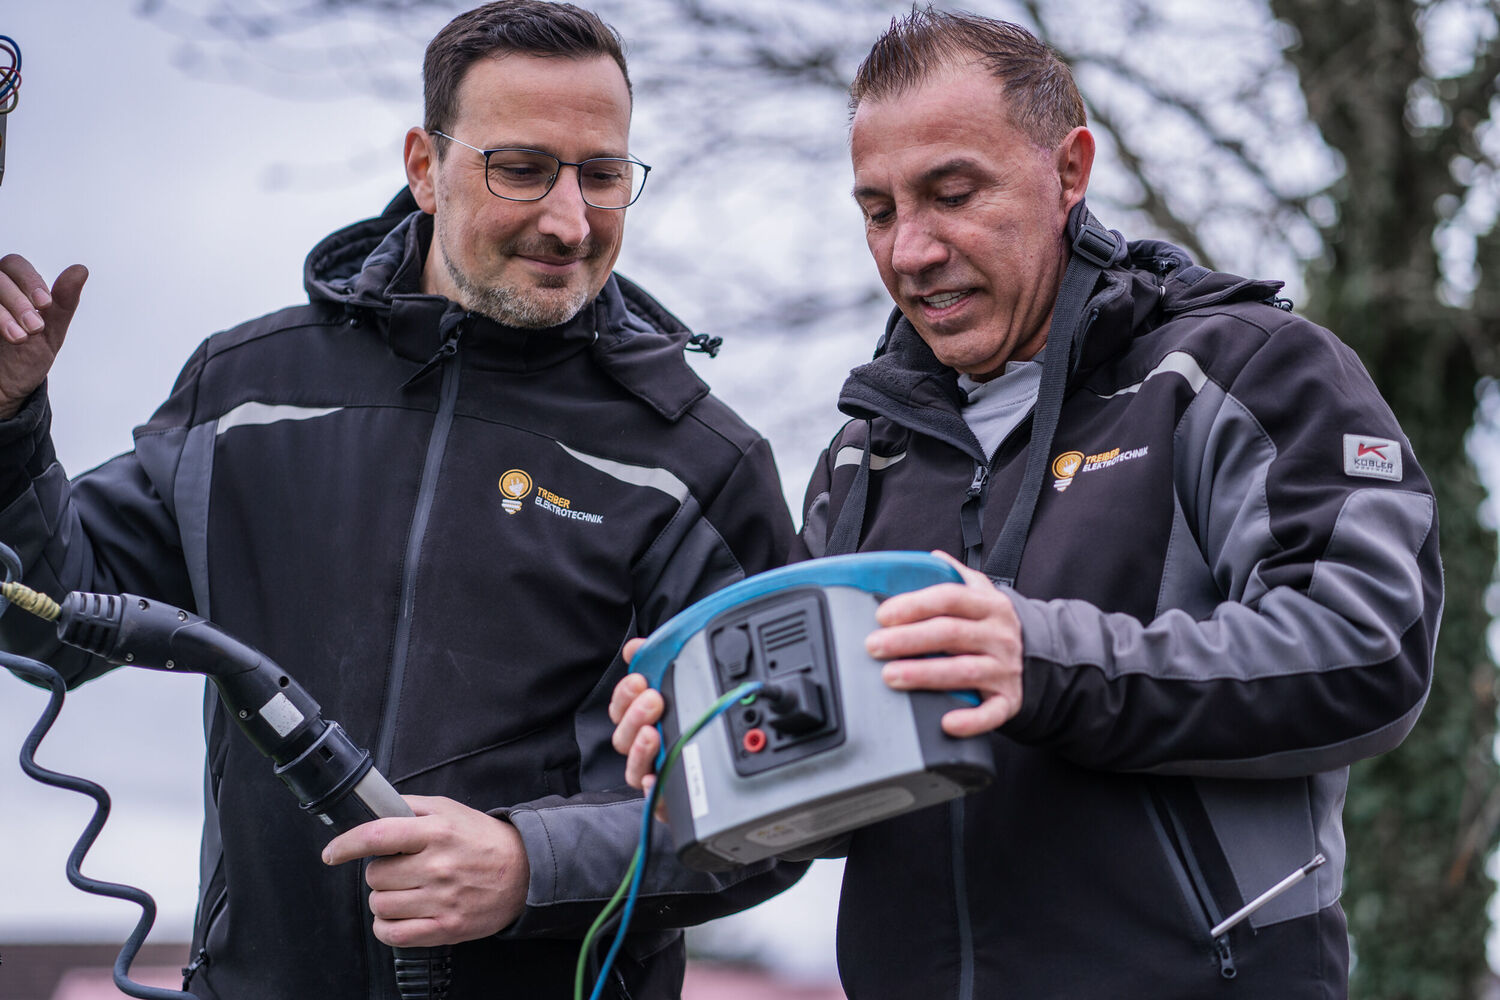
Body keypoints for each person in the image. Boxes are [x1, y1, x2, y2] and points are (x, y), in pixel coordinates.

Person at [609, 9, 1441, 999]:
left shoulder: (1244, 369)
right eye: (878, 211)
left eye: (952, 194)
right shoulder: (862, 457)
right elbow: (830, 793)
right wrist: (707, 751)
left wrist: (1042, 659)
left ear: (1069, 170)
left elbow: (1370, 647)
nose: (911, 250)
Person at [0, 3, 805, 997]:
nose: (570, 220)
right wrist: (8, 425)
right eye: (523, 169)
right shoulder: (248, 391)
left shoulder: (698, 462)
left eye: (601, 176)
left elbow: (781, 798)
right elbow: (46, 625)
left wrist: (532, 865)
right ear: (424, 166)